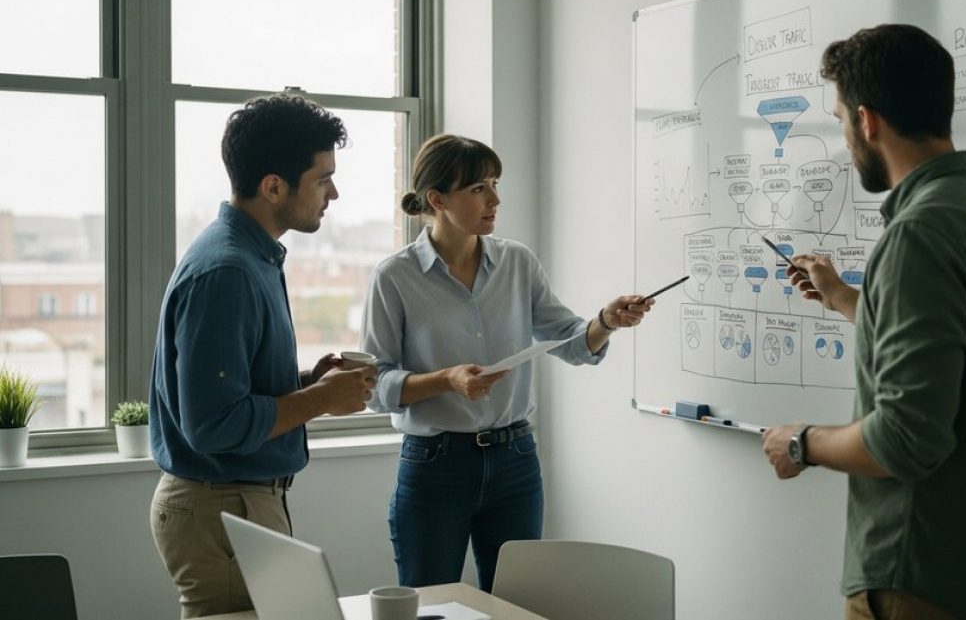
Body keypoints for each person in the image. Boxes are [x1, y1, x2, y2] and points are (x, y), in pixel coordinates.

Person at [761, 24, 966, 620]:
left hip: (918, 577)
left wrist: (801, 442)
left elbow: (906, 439)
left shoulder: (917, 232)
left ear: (868, 121)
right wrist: (842, 297)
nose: (844, 139)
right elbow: (957, 345)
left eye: (841, 120)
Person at [360, 133, 653, 592]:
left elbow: (572, 342)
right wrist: (447, 380)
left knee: (518, 602)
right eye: (479, 188)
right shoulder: (395, 276)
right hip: (436, 464)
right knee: (429, 601)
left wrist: (606, 321)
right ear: (437, 199)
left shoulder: (518, 261)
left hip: (515, 458)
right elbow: (374, 386)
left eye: (495, 183)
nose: (495, 199)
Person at [148, 93, 376, 618]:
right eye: (322, 178)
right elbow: (212, 424)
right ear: (274, 186)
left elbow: (230, 390)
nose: (334, 192)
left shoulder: (249, 256)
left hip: (233, 502)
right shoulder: (228, 271)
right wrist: (318, 400)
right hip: (222, 505)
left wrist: (305, 383)